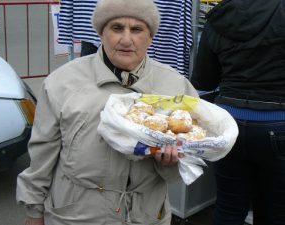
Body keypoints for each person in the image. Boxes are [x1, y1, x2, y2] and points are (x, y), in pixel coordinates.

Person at [16, 0, 199, 225]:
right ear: (101, 32)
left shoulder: (175, 88)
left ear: (151, 37)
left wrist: (169, 163)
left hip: (144, 216)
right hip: (76, 215)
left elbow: (187, 161)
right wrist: (34, 211)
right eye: (116, 28)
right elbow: (42, 152)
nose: (126, 39)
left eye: (137, 29)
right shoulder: (62, 83)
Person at [190, 0, 285, 225]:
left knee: (228, 207)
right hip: (278, 121)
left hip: (228, 122)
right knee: (278, 211)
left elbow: (204, 79)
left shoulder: (220, 15)